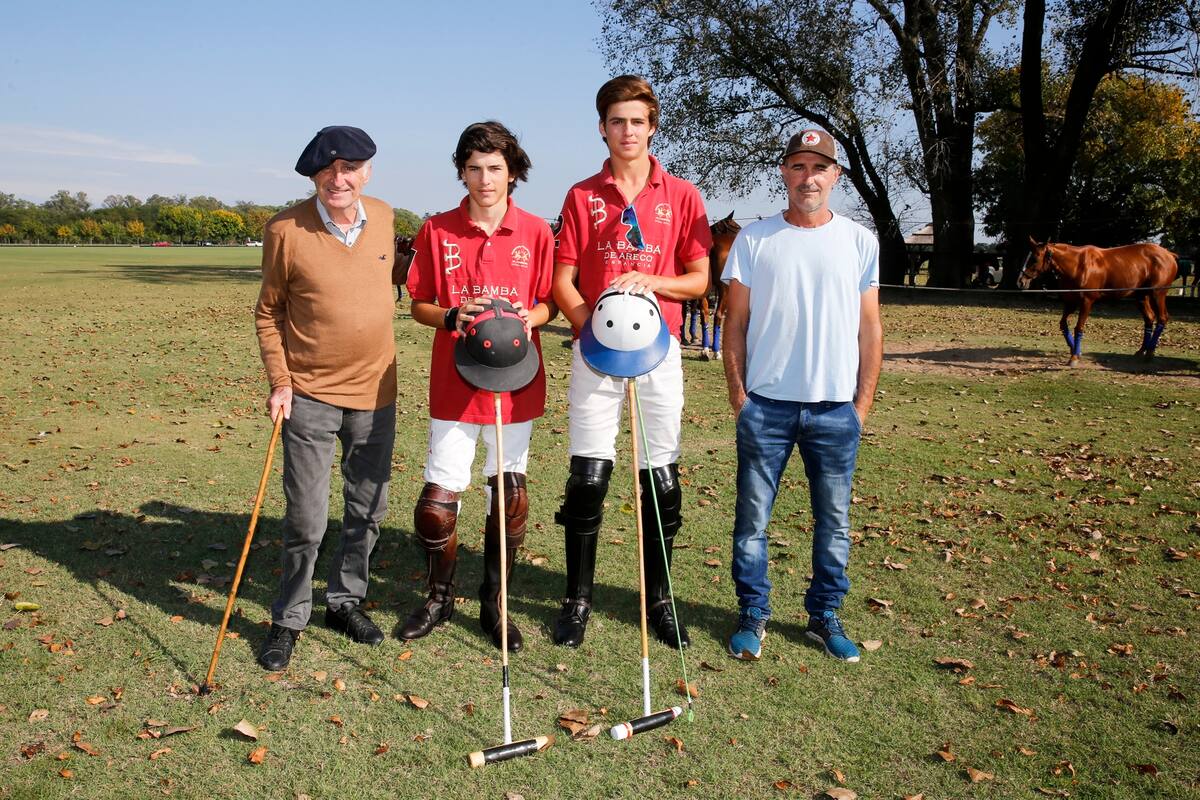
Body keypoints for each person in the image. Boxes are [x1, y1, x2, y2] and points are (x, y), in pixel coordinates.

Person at [551, 75, 712, 649]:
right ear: (602, 126)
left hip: (658, 354)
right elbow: (563, 280)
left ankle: (660, 600)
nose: (627, 131)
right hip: (594, 355)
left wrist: (652, 280)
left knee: (660, 477)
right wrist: (587, 324)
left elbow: (699, 281)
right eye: (616, 121)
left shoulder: (684, 195)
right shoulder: (581, 195)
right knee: (588, 477)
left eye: (637, 121)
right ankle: (577, 599)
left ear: (652, 126)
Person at [721, 128, 883, 663]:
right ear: (785, 174)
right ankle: (753, 613)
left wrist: (860, 406)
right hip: (765, 407)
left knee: (834, 521)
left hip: (835, 410)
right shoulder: (755, 239)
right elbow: (736, 323)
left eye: (819, 168)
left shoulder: (860, 240)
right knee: (752, 522)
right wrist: (740, 395)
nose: (808, 177)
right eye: (797, 166)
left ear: (835, 176)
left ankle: (824, 615)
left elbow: (870, 328)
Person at [400, 121, 556, 652]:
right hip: (456, 379)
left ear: (513, 172)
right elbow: (418, 302)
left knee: (509, 493)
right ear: (461, 172)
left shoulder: (536, 231)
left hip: (516, 378)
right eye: (474, 169)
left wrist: (526, 319)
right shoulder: (436, 229)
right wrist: (449, 316)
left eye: (495, 168)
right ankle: (438, 599)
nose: (485, 179)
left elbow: (549, 302)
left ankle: (496, 603)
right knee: (437, 502)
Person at [253, 126, 398, 670]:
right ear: (315, 175)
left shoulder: (384, 217)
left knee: (368, 509)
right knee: (306, 519)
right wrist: (280, 381)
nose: (339, 179)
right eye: (327, 170)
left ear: (367, 172)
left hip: (376, 392)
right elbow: (269, 313)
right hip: (309, 394)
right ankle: (290, 616)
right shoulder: (285, 229)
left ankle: (345, 600)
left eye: (350, 168)